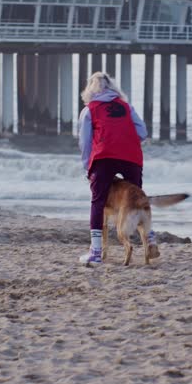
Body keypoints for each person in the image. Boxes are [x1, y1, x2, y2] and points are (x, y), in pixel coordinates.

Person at [77, 71, 155, 265]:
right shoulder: (126, 107)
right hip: (131, 156)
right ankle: (150, 239)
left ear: (90, 90)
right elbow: (143, 133)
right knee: (137, 199)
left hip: (104, 157)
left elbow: (85, 142)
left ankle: (95, 252)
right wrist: (124, 138)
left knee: (98, 201)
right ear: (113, 88)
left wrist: (88, 166)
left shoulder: (90, 109)